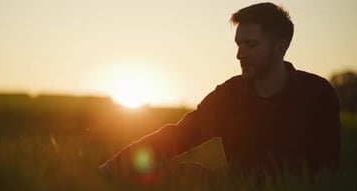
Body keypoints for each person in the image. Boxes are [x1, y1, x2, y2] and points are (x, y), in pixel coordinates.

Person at [100, 2, 341, 180]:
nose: (240, 54)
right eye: (238, 44)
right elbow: (179, 135)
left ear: (280, 46)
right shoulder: (229, 95)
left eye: (251, 44)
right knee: (184, 173)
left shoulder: (317, 94)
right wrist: (112, 167)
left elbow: (326, 170)